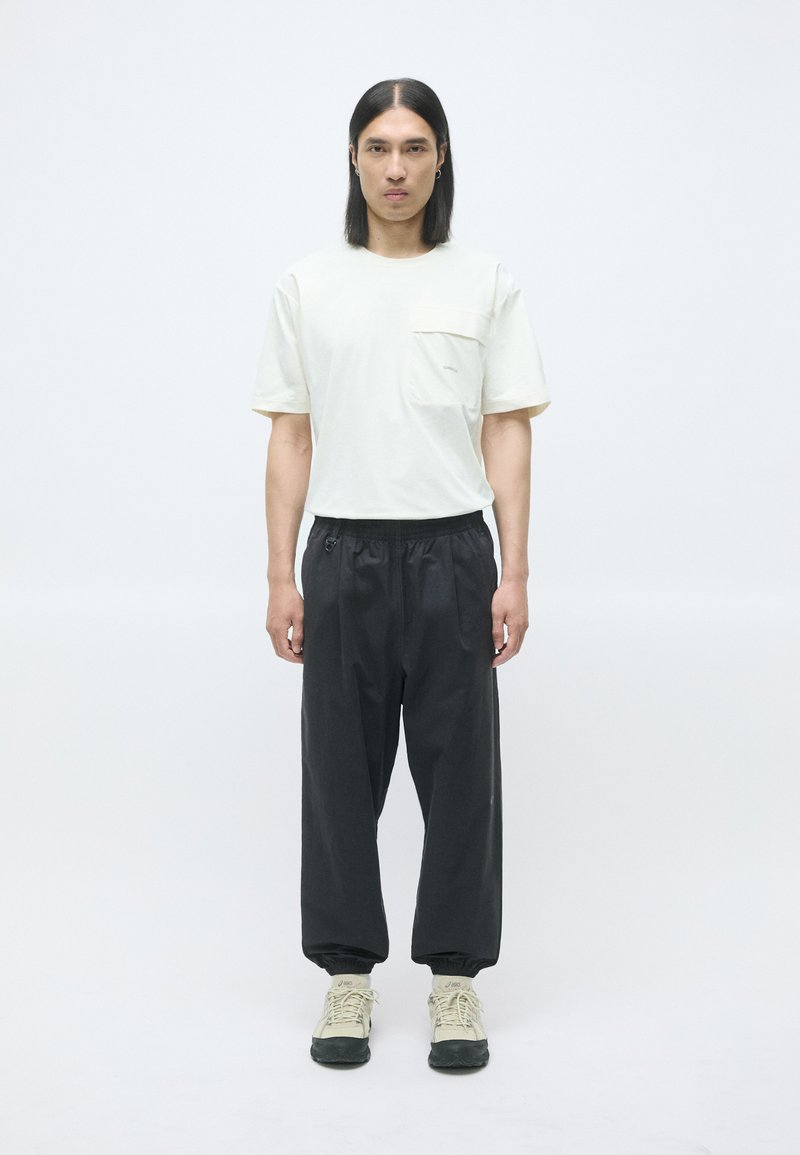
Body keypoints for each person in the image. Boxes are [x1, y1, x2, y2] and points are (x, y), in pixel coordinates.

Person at [250, 77, 551, 1070]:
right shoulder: (308, 285)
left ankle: (455, 979)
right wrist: (280, 575)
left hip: (452, 555)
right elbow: (290, 435)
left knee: (461, 776)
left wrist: (513, 569)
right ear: (352, 158)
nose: (395, 167)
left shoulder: (483, 280)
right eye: (377, 147)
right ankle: (346, 974)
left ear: (440, 158)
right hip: (342, 553)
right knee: (338, 773)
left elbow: (506, 428)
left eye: (414, 147)